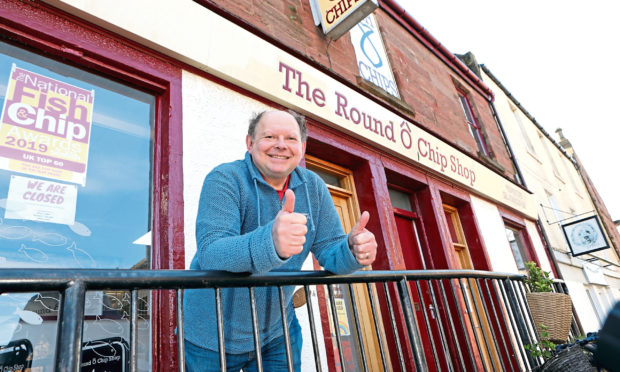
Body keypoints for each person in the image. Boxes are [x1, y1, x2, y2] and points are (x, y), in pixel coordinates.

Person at [183, 109, 378, 371]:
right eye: (269, 136)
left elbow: (330, 249)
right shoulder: (225, 178)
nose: (280, 145)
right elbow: (212, 250)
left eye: (290, 138)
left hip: (276, 333)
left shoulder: (314, 187)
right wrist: (270, 242)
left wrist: (352, 251)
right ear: (250, 143)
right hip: (210, 336)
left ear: (302, 147)